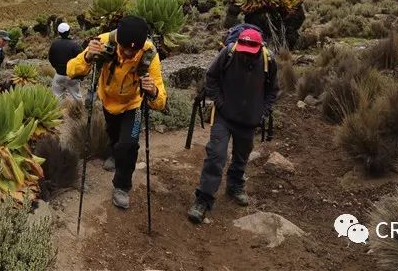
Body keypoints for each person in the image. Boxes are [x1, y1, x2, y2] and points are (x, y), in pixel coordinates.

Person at [67, 15, 167, 210]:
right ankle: (114, 153)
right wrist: (88, 56)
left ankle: (122, 186)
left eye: (134, 49)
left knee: (129, 145)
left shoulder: (150, 55)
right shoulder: (103, 42)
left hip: (134, 104)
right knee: (114, 136)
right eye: (125, 48)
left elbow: (161, 99)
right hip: (108, 101)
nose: (129, 52)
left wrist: (153, 92)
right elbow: (71, 70)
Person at [187, 27, 279, 224]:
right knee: (216, 155)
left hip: (249, 120)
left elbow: (273, 90)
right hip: (224, 117)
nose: (245, 54)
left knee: (241, 155)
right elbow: (210, 77)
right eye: (242, 49)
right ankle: (203, 199)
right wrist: (220, 104)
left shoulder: (268, 59)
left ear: (259, 46)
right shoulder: (228, 52)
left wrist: (262, 112)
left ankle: (235, 185)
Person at [48, 22, 83, 100]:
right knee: (77, 97)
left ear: (59, 32)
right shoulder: (75, 45)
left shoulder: (54, 44)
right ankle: (79, 111)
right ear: (69, 31)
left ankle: (59, 112)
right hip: (72, 77)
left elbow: (50, 58)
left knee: (56, 97)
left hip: (59, 75)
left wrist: (57, 68)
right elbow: (81, 61)